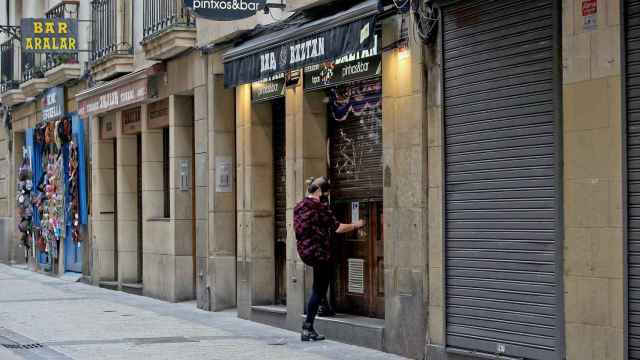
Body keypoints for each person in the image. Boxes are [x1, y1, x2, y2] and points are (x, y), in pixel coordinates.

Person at [293, 176, 365, 341]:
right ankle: (308, 327)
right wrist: (357, 225)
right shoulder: (320, 207)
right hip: (319, 253)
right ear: (319, 191)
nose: (325, 196)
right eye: (324, 193)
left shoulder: (298, 206)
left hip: (305, 251)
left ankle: (324, 305)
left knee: (320, 283)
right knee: (318, 288)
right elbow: (338, 228)